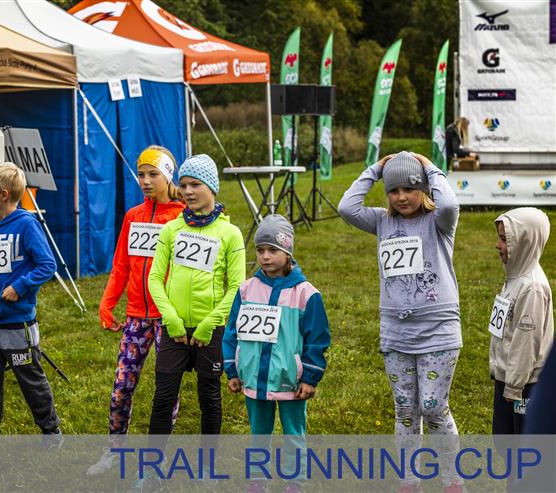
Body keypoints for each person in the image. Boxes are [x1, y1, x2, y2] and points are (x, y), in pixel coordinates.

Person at [338, 151, 463, 493]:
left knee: (433, 407)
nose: (401, 197)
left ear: (423, 189)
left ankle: (452, 479)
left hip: (438, 330)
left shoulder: (439, 222)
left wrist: (430, 168)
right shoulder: (382, 221)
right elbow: (346, 208)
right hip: (396, 331)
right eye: (393, 190)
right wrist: (376, 169)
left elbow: (450, 204)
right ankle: (410, 480)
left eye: (409, 188)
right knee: (405, 408)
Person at [88, 146, 184, 475]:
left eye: (153, 174)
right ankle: (114, 450)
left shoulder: (182, 217)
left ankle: (160, 453)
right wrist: (107, 302)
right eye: (141, 174)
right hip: (136, 317)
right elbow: (121, 265)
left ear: (168, 176)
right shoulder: (133, 216)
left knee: (166, 390)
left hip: (168, 318)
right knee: (121, 388)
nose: (145, 180)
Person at [223, 214, 330, 493]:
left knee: (294, 433)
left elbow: (317, 339)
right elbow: (232, 331)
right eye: (260, 250)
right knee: (258, 433)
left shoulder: (306, 294)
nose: (265, 257)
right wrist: (232, 369)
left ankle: (295, 481)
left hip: (290, 381)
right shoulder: (246, 290)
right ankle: (258, 479)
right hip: (253, 379)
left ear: (288, 251)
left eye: (273, 250)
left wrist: (309, 377)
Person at [147, 154, 246, 435]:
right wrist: (170, 317)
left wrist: (210, 323)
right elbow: (155, 278)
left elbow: (237, 287)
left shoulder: (230, 233)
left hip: (209, 331)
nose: (188, 191)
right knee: (162, 399)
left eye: (195, 185)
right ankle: (153, 461)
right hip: (174, 329)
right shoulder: (171, 229)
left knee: (210, 400)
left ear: (211, 187)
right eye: (183, 185)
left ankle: (208, 459)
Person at [0, 164, 60, 436]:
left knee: (31, 381)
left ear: (4, 194)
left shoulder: (27, 224)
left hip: (16, 324)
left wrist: (20, 287)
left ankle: (51, 432)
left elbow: (47, 265)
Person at [490, 208, 553, 435]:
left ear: (524, 243)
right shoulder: (515, 277)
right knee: (504, 438)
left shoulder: (531, 288)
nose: (498, 245)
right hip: (507, 378)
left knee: (522, 443)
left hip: (523, 386)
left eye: (504, 239)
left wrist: (514, 386)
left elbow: (526, 343)